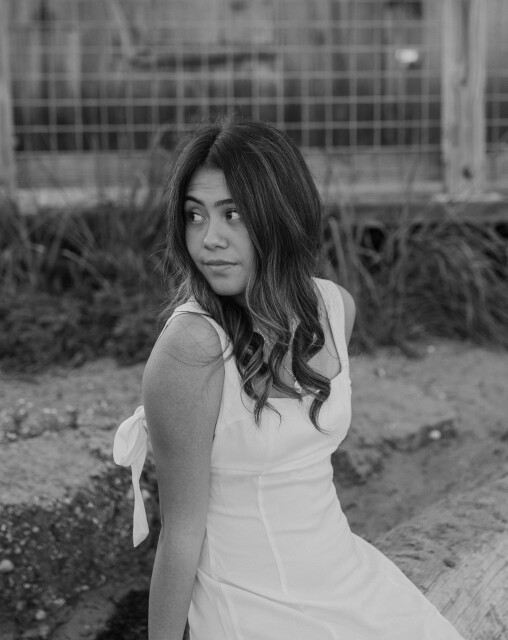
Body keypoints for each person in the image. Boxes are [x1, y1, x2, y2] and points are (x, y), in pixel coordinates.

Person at [113, 116, 465, 640]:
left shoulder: (334, 307)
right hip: (250, 604)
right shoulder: (191, 347)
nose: (209, 239)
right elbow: (180, 534)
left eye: (233, 214)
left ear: (280, 213)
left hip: (346, 577)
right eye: (195, 215)